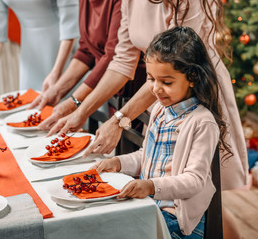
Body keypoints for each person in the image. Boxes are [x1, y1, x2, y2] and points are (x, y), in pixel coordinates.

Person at [47, 0, 248, 191]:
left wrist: (120, 119)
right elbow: (122, 61)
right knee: (161, 181)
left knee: (197, 190)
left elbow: (181, 63)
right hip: (159, 93)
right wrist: (81, 111)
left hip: (193, 92)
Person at [91, 26, 231, 238]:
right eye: (151, 79)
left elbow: (194, 181)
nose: (156, 89)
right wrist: (118, 163)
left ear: (192, 77)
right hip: (150, 206)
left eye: (166, 82)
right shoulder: (159, 109)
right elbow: (146, 156)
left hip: (176, 220)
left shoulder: (202, 122)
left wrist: (151, 186)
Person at [27, 0, 129, 130]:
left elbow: (113, 56)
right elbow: (86, 50)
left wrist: (75, 102)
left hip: (130, 86)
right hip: (110, 90)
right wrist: (57, 90)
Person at [0, 0, 79, 100]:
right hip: (30, 55)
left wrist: (57, 72)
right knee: (30, 107)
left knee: (66, 106)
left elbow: (70, 25)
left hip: (64, 49)